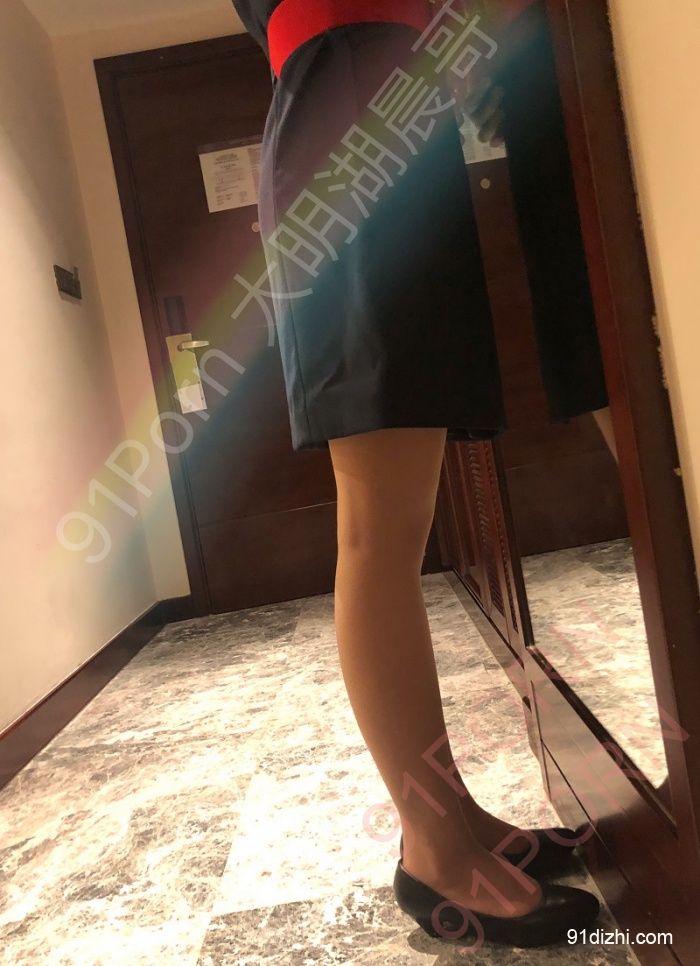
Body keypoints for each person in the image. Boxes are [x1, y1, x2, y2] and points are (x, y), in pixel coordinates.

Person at [232, 0, 602, 947]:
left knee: (395, 517)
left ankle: (451, 819)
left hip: (381, 113)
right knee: (380, 528)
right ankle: (433, 849)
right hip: (346, 118)